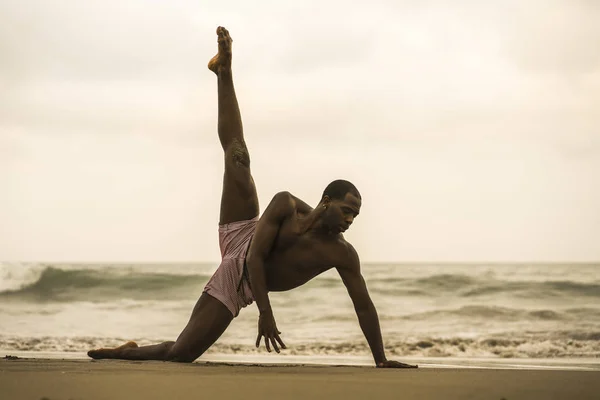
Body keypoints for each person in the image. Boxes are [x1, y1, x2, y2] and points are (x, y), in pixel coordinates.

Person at [87, 26, 417, 369]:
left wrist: (381, 359)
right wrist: (266, 314)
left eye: (355, 217)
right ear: (326, 201)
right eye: (347, 211)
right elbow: (256, 256)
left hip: (239, 281)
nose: (350, 220)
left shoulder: (342, 253)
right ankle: (224, 71)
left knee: (180, 354)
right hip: (243, 233)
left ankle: (123, 351)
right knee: (238, 155)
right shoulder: (285, 204)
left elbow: (363, 305)